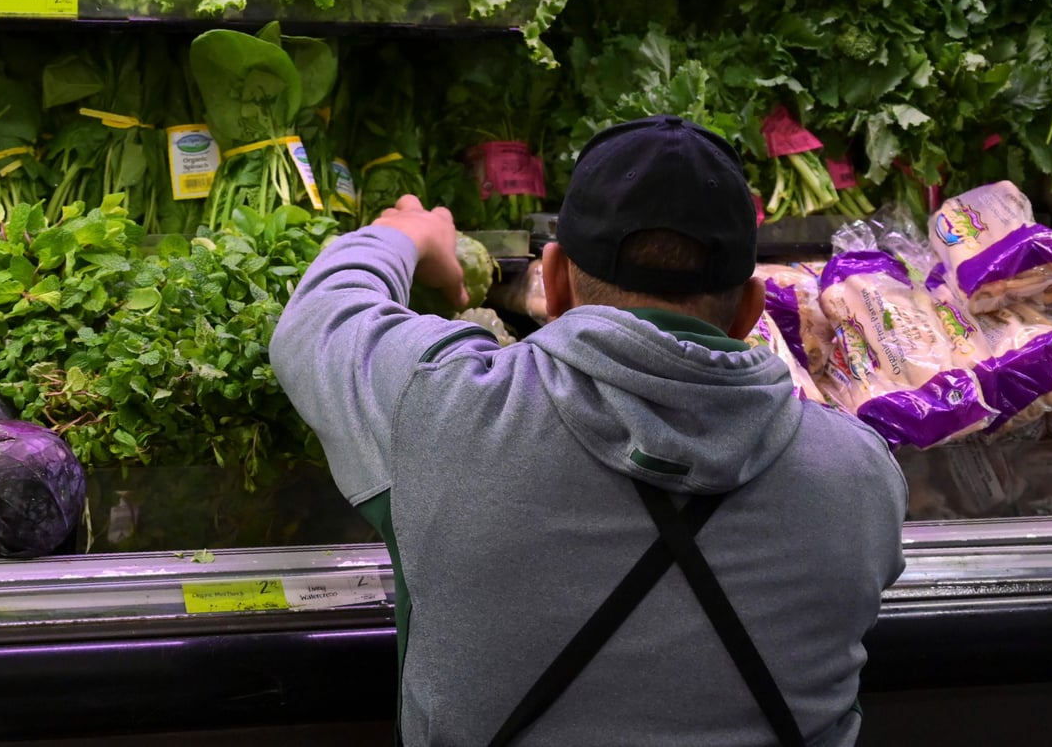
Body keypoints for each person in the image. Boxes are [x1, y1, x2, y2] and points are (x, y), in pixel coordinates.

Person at [271, 115, 907, 747]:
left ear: (554, 281)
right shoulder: (861, 475)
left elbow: (322, 315)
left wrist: (401, 233)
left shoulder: (441, 405)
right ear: (749, 308)